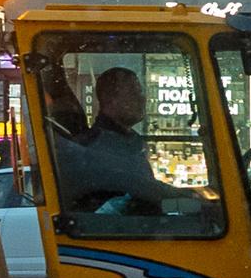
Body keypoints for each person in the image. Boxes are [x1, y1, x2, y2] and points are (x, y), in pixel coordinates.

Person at [60, 67, 185, 213]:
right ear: (110, 100)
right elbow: (142, 187)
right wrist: (192, 197)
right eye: (133, 93)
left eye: (140, 92)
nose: (142, 99)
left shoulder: (127, 140)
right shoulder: (100, 145)